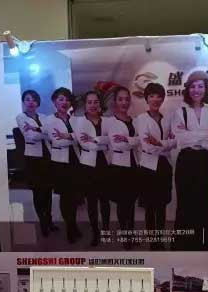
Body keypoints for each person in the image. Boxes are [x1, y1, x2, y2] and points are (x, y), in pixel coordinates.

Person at [172, 71, 208, 250]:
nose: (196, 90)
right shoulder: (180, 111)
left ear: (206, 89)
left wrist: (194, 136)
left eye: (200, 86)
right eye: (192, 86)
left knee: (203, 199)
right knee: (185, 200)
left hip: (206, 159)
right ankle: (184, 243)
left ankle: (204, 241)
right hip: (186, 160)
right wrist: (207, 133)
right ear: (188, 89)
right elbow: (181, 139)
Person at [135, 82, 175, 250]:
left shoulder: (167, 119)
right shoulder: (141, 119)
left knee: (162, 206)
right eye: (152, 96)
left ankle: (160, 239)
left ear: (163, 99)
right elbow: (147, 147)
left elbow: (175, 142)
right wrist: (165, 145)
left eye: (159, 96)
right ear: (146, 99)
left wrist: (159, 143)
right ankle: (153, 242)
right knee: (150, 207)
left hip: (164, 166)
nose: (156, 99)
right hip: (148, 168)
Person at [15, 89, 56, 237]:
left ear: (38, 102)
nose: (31, 102)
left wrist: (42, 132)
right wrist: (45, 133)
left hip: (48, 158)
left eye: (33, 99)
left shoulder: (44, 117)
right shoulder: (21, 117)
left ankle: (50, 220)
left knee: (48, 192)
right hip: (33, 160)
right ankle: (43, 222)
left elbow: (52, 135)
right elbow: (30, 137)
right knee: (38, 192)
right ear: (23, 102)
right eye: (27, 99)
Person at [43, 87, 81, 243]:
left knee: (74, 196)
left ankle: (74, 225)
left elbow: (81, 139)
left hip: (75, 160)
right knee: (66, 197)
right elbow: (57, 141)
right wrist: (73, 137)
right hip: (60, 162)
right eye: (61, 99)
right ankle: (70, 228)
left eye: (67, 99)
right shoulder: (49, 120)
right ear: (54, 101)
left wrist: (68, 136)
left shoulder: (75, 119)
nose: (65, 102)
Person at [104, 86, 140, 249]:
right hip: (119, 168)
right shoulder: (110, 122)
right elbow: (119, 145)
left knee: (131, 203)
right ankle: (125, 235)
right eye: (120, 99)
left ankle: (131, 233)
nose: (124, 102)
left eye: (127, 99)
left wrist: (129, 140)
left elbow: (140, 141)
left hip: (134, 166)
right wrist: (133, 140)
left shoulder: (134, 120)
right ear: (115, 102)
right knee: (122, 203)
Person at [74, 91, 110, 246]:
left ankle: (106, 231)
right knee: (92, 202)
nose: (93, 105)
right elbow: (86, 145)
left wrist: (95, 140)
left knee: (105, 201)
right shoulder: (79, 122)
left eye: (96, 102)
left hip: (105, 164)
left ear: (100, 104)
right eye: (89, 102)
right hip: (88, 166)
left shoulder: (107, 121)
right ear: (85, 105)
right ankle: (95, 233)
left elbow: (111, 141)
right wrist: (103, 143)